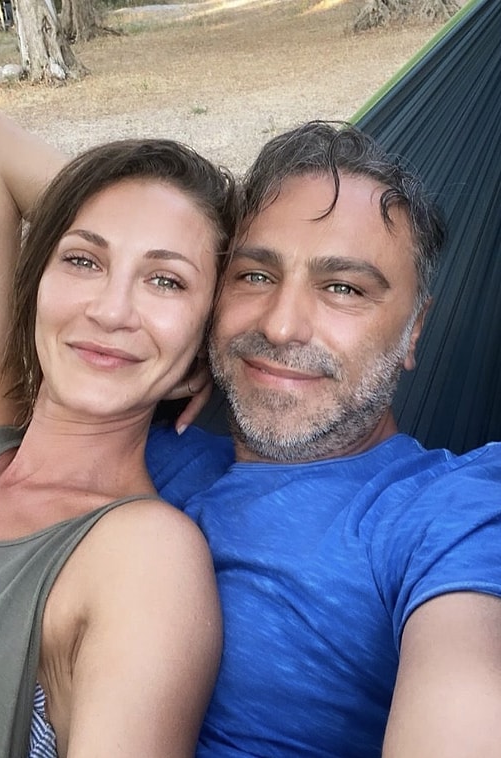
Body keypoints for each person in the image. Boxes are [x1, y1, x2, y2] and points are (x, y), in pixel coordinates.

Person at [146, 122, 501, 756]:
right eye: (255, 275)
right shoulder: (147, 450)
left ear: (415, 331)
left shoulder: (453, 512)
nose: (281, 326)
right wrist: (169, 337)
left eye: (344, 288)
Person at [0, 111, 238, 756]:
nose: (111, 311)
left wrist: (207, 347)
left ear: (205, 338)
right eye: (83, 260)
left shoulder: (142, 559)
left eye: (166, 281)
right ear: (38, 282)